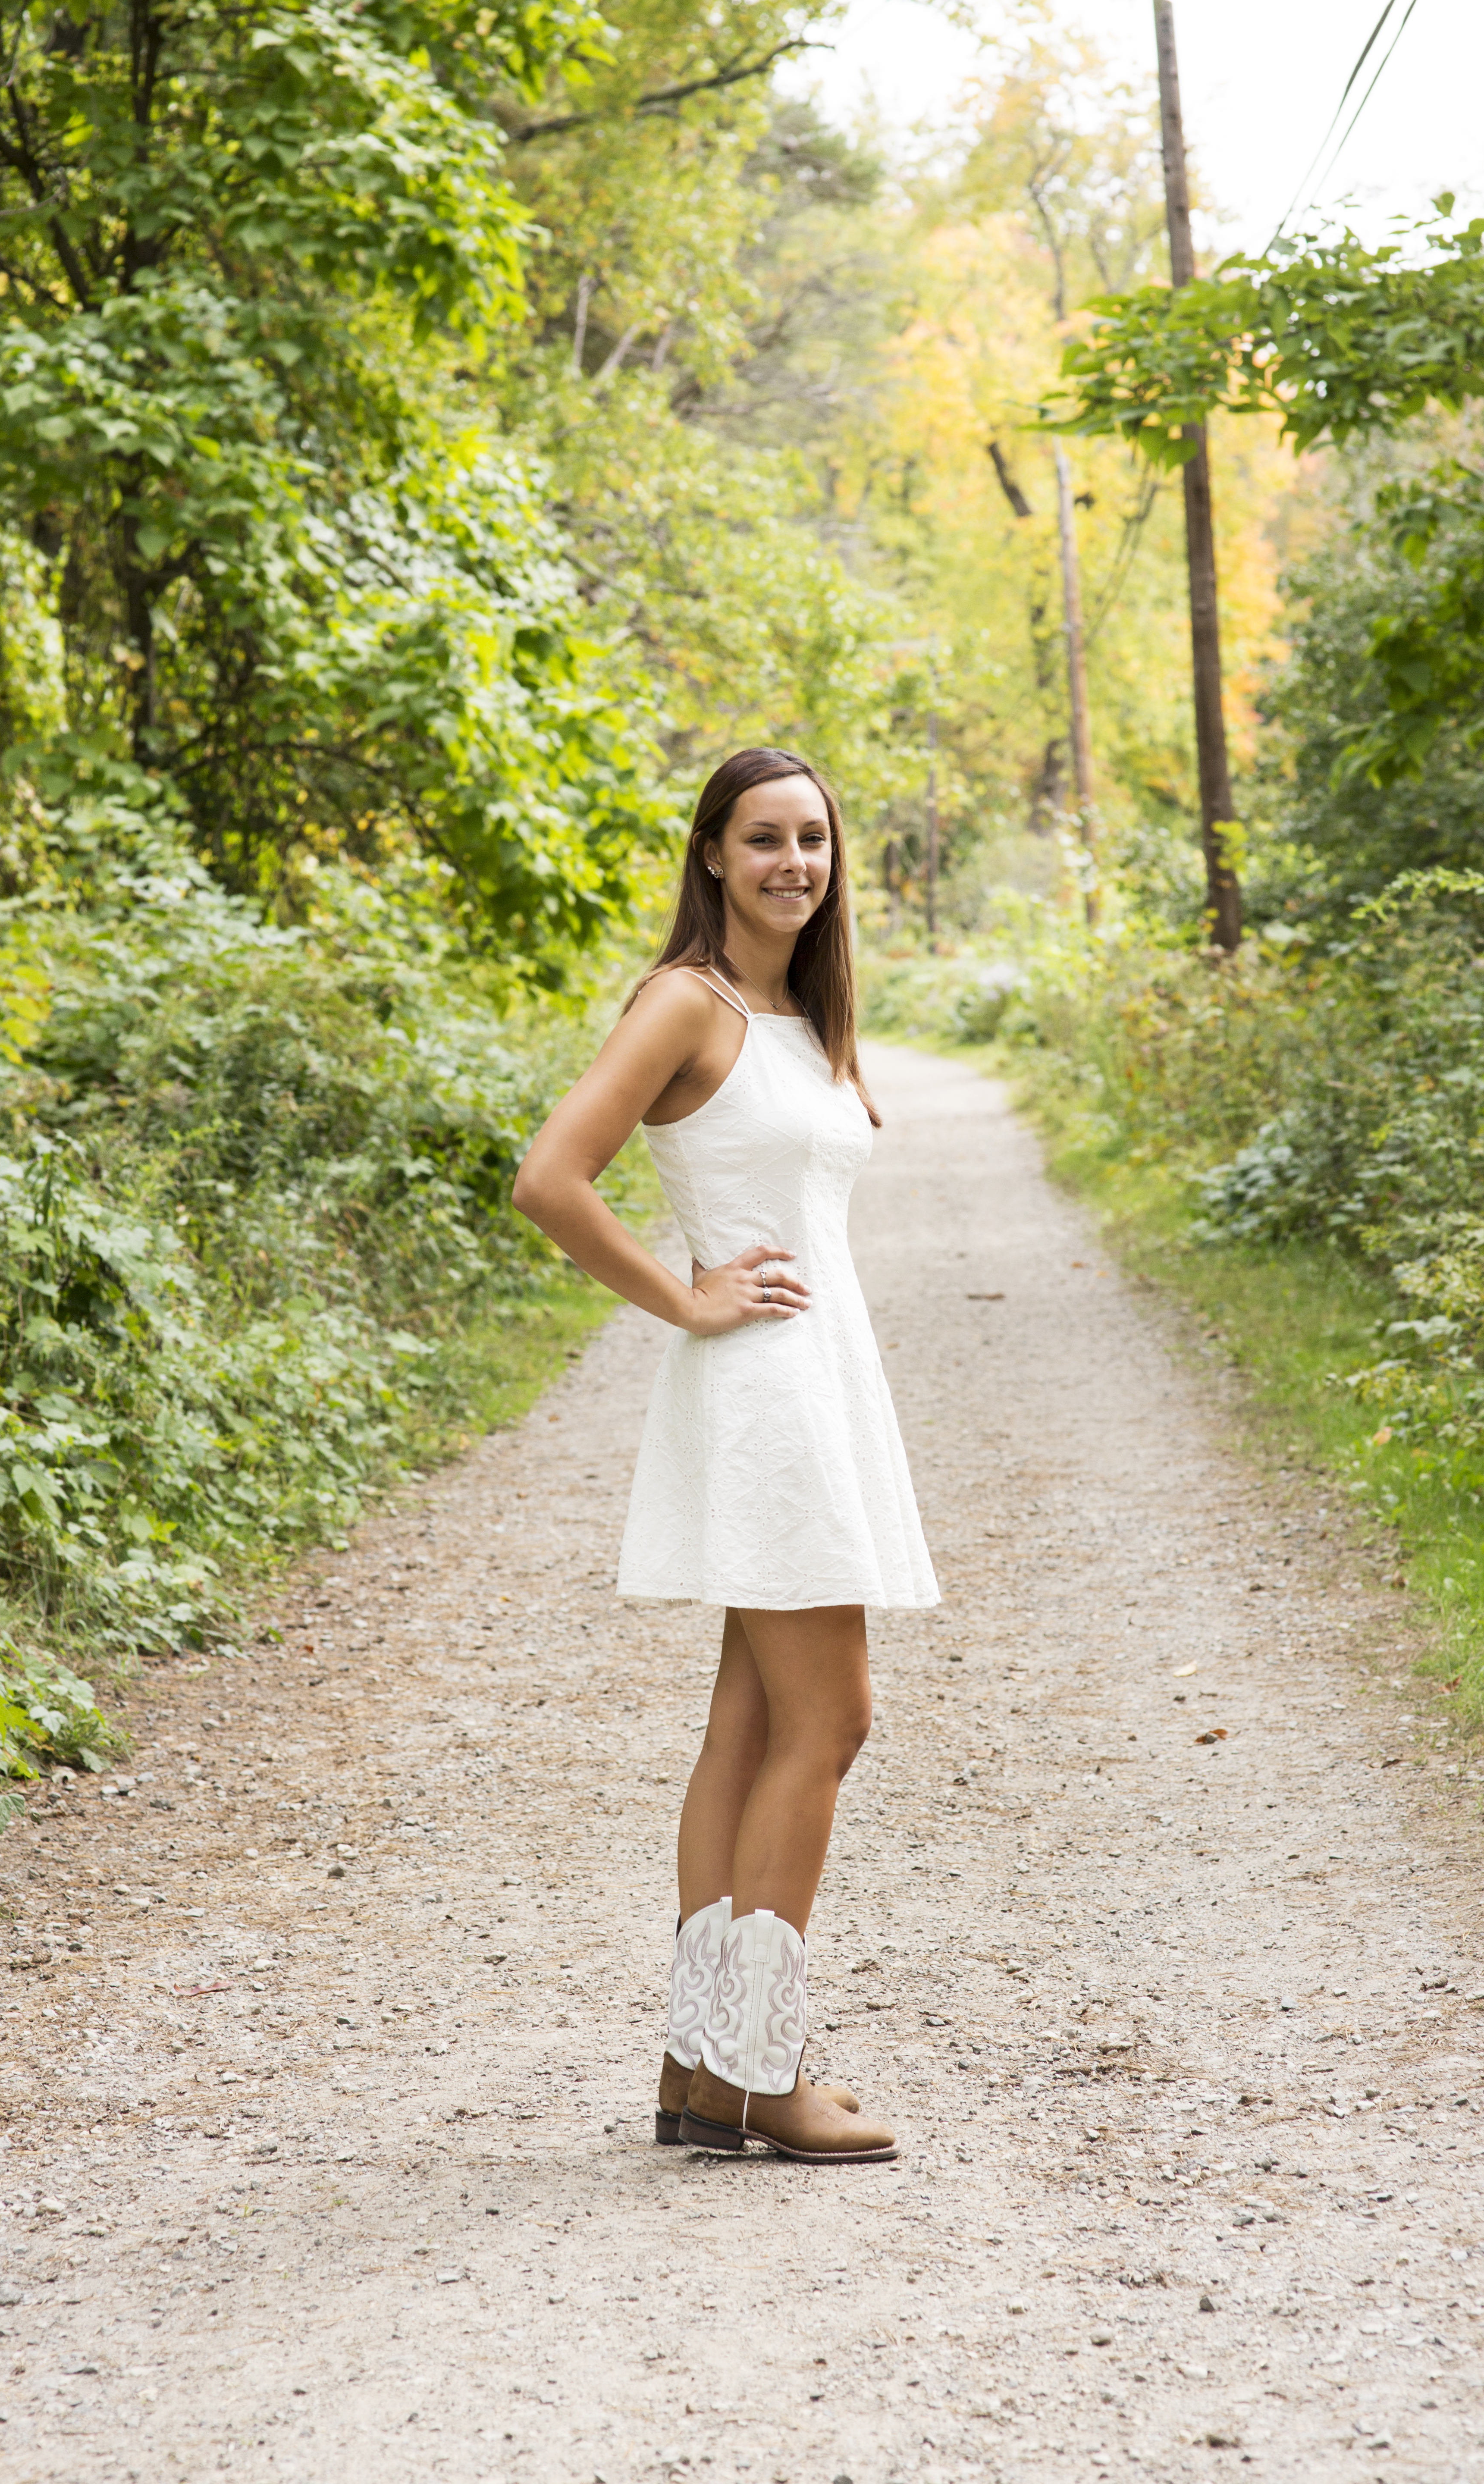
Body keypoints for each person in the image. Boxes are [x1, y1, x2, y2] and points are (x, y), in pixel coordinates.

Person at [512, 746, 938, 2163]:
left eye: (814, 840)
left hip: (818, 1384)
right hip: (762, 1393)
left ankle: (701, 2073)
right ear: (711, 854)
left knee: (753, 1725)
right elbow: (549, 1176)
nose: (793, 865)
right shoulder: (686, 1004)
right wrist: (687, 1294)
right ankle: (761, 2070)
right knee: (835, 1721)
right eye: (764, 839)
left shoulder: (802, 1016)